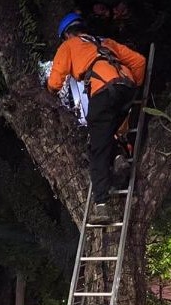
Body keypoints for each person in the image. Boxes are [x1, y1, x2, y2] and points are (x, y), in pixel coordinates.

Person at [47, 12, 146, 224]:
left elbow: (55, 81)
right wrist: (134, 87)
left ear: (66, 35)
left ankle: (101, 205)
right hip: (125, 87)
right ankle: (119, 157)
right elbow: (139, 61)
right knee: (111, 130)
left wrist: (49, 89)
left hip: (103, 90)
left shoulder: (69, 46)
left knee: (97, 148)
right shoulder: (105, 42)